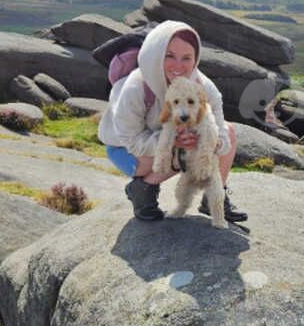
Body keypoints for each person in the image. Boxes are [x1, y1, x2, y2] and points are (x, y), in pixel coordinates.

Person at [98, 20, 248, 222]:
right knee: (184, 153)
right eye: (169, 56)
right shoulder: (136, 87)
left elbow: (221, 131)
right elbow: (131, 140)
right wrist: (174, 143)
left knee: (228, 130)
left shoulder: (202, 85)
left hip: (167, 141)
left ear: (196, 59)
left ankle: (213, 199)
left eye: (187, 58)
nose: (179, 66)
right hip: (125, 150)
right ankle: (142, 191)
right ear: (156, 54)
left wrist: (212, 143)